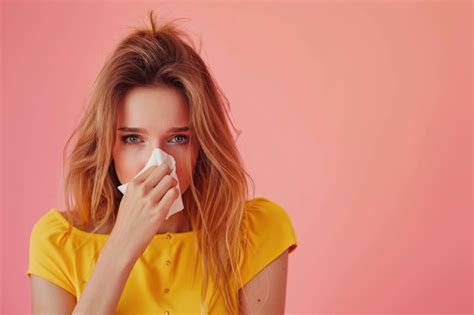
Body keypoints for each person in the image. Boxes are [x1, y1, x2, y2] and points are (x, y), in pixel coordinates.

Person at [26, 10, 298, 315]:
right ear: (106, 147)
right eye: (132, 139)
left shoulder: (256, 232)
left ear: (202, 147)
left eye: (178, 138)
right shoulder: (58, 242)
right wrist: (122, 245)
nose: (156, 164)